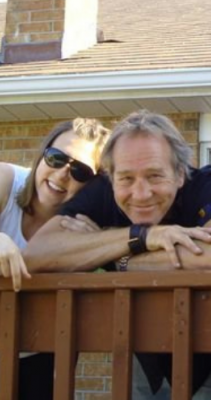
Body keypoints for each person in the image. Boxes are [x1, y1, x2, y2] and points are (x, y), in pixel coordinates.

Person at [24, 110, 211, 399]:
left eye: (154, 175)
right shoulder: (104, 190)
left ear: (180, 174)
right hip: (144, 354)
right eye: (126, 179)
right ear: (111, 178)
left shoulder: (210, 181)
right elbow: (36, 254)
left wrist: (113, 258)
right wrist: (140, 237)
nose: (140, 194)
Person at [0, 118, 110, 400]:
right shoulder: (6, 182)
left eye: (81, 171)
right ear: (42, 155)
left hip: (42, 354)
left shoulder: (88, 223)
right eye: (56, 158)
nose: (62, 174)